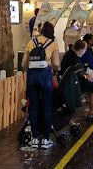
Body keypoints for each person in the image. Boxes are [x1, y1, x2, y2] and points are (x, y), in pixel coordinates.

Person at [21, 21, 60, 149]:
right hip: (45, 76)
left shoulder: (31, 43)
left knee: (33, 107)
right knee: (47, 107)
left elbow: (23, 64)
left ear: (41, 31)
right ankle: (46, 140)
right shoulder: (53, 44)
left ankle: (34, 138)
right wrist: (53, 70)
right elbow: (56, 63)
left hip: (32, 76)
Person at [60, 39, 93, 121]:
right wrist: (88, 77)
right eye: (85, 49)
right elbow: (77, 74)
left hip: (72, 81)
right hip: (72, 84)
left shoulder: (71, 54)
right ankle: (91, 113)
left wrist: (87, 76)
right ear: (81, 50)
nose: (85, 51)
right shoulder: (74, 58)